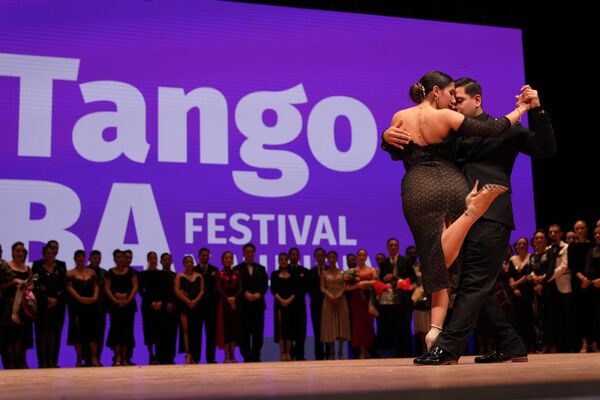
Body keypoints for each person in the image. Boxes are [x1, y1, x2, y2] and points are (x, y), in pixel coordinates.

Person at [392, 76, 555, 365]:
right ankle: (510, 343)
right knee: (465, 284)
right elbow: (419, 147)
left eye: (459, 101)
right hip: (457, 216)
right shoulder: (452, 130)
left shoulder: (507, 130)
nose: (453, 105)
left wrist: (538, 111)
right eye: (451, 101)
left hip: (491, 215)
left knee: (474, 284)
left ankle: (447, 348)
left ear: (477, 100)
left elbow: (545, 148)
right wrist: (386, 138)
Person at [66, 250, 100, 367]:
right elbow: (69, 288)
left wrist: (95, 297)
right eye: (78, 256)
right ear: (75, 258)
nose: (81, 258)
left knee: (93, 331)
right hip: (77, 306)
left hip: (91, 304)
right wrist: (80, 298)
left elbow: (96, 286)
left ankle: (94, 357)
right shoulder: (70, 273)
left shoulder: (91, 272)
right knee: (77, 331)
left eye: (82, 256)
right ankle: (79, 358)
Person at [234, 243, 268, 362]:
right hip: (244, 304)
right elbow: (236, 285)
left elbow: (264, 285)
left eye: (251, 251)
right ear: (243, 253)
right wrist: (244, 293)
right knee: (244, 331)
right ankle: (246, 356)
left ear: (254, 253)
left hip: (258, 304)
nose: (249, 254)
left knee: (258, 331)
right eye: (247, 251)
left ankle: (256, 355)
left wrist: (259, 294)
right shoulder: (237, 269)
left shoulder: (261, 268)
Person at [104, 249, 138, 366]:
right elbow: (107, 288)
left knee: (127, 331)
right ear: (114, 259)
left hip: (129, 306)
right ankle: (117, 356)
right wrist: (115, 300)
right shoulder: (109, 272)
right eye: (118, 257)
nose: (121, 259)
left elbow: (135, 287)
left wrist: (128, 300)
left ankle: (125, 357)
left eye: (122, 257)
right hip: (115, 306)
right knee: (116, 330)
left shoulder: (132, 272)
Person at [320, 250, 351, 360]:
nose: (332, 259)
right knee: (330, 325)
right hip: (328, 300)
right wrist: (330, 295)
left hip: (340, 300)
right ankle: (332, 352)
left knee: (341, 324)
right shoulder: (324, 273)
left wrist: (339, 295)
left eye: (334, 257)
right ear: (327, 259)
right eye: (330, 257)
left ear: (337, 258)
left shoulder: (342, 272)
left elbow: (345, 285)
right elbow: (322, 287)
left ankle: (341, 351)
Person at [175, 255, 204, 364]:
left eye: (191, 262)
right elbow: (177, 291)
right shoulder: (179, 276)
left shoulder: (199, 276)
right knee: (186, 330)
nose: (189, 264)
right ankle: (188, 354)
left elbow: (202, 291)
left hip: (197, 306)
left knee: (196, 331)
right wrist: (187, 301)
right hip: (185, 306)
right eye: (187, 262)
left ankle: (195, 355)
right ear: (184, 264)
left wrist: (195, 301)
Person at [139, 251, 167, 365]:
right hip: (147, 304)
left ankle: (158, 355)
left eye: (155, 258)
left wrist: (160, 302)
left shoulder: (162, 274)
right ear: (148, 260)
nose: (153, 260)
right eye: (151, 258)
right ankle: (151, 355)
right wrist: (150, 302)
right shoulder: (142, 274)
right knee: (149, 330)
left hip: (160, 304)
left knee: (159, 330)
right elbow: (140, 290)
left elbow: (165, 290)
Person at [193, 247, 219, 364]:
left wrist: (213, 305)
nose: (205, 257)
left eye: (207, 255)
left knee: (211, 334)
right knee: (196, 333)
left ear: (209, 256)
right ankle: (196, 358)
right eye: (203, 255)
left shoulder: (215, 270)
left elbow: (217, 289)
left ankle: (210, 358)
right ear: (198, 256)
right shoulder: (193, 270)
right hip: (197, 307)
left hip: (211, 307)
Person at [216, 251, 242, 363]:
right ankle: (226, 355)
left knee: (234, 329)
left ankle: (233, 355)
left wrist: (234, 298)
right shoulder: (219, 274)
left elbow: (240, 288)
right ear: (222, 260)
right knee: (225, 329)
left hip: (235, 304)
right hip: (224, 304)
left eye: (230, 258)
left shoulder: (237, 273)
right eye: (226, 258)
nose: (228, 260)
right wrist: (228, 298)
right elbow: (219, 288)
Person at [270, 253, 298, 361]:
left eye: (285, 259)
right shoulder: (274, 274)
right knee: (281, 328)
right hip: (279, 303)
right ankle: (282, 352)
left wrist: (289, 300)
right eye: (281, 259)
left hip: (291, 303)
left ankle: (289, 352)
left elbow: (296, 289)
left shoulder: (293, 273)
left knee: (289, 328)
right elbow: (273, 289)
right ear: (278, 261)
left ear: (288, 261)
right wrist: (281, 300)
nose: (283, 261)